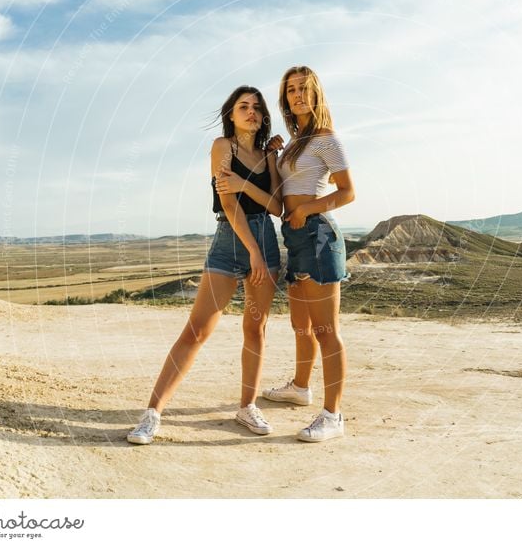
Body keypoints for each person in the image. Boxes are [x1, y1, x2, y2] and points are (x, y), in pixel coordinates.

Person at [127, 86, 282, 444]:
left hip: (267, 239)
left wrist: (247, 181)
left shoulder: (268, 154)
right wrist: (253, 252)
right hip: (231, 240)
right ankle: (152, 413)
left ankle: (247, 406)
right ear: (231, 114)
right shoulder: (221, 147)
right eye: (243, 106)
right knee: (197, 330)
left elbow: (276, 207)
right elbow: (229, 204)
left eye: (257, 107)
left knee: (255, 329)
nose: (251, 112)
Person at [259, 66, 356, 442]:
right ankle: (300, 388)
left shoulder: (325, 138)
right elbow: (281, 194)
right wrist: (273, 155)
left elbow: (348, 192)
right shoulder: (297, 140)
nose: (297, 95)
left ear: (315, 94)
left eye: (303, 89)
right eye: (291, 90)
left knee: (326, 330)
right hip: (296, 237)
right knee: (301, 324)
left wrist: (304, 211)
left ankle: (333, 415)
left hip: (318, 235)